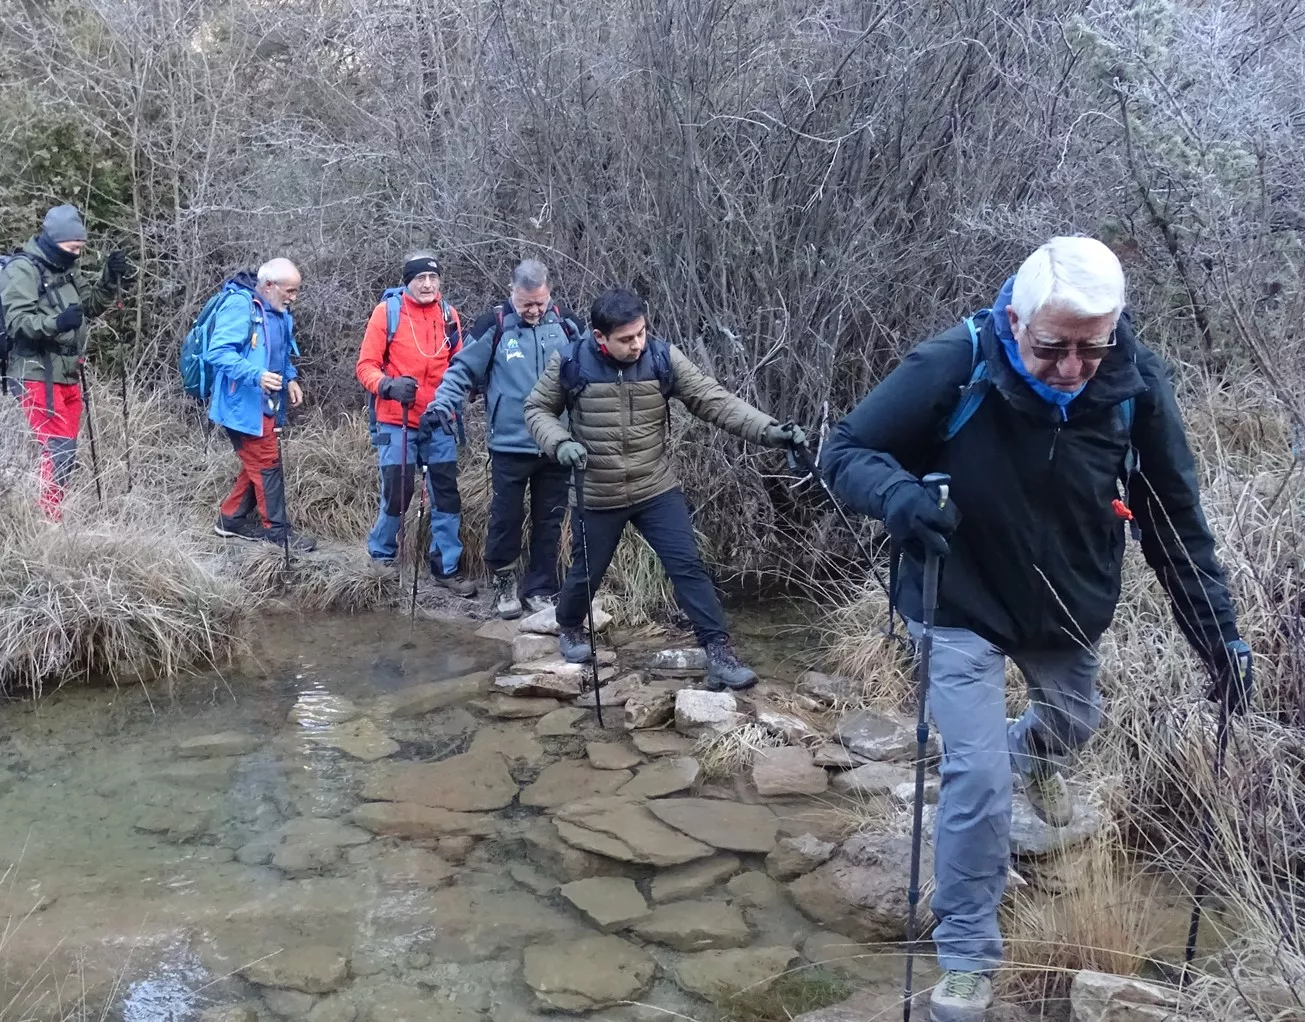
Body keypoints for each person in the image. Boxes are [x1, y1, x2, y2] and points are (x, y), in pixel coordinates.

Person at [818, 237, 1251, 1022]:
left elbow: (1173, 520)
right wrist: (900, 498)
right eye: (1053, 346)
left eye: (1093, 346)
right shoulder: (957, 362)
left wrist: (1218, 639)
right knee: (977, 782)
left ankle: (1025, 762)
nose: (1073, 366)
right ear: (1015, 317)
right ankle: (967, 960)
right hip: (958, 600)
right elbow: (843, 451)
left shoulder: (1134, 384)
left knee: (1075, 723)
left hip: (1065, 606)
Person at [524, 288, 806, 690]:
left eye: (640, 333)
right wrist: (559, 442)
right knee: (587, 572)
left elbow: (714, 400)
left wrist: (769, 431)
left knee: (687, 566)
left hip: (655, 486)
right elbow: (536, 409)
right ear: (600, 337)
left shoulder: (661, 357)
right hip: (598, 491)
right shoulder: (569, 361)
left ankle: (719, 653)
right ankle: (568, 625)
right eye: (626, 339)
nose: (637, 344)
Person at [426, 259, 585, 618]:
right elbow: (462, 371)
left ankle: (542, 587)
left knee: (550, 517)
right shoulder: (494, 325)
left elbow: (591, 367)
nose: (534, 310)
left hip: (556, 442)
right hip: (510, 444)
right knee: (506, 516)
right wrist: (441, 406)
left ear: (549, 293)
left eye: (540, 302)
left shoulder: (566, 324)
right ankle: (503, 581)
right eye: (526, 303)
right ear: (512, 292)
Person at [354, 251, 476, 596]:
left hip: (439, 421)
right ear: (407, 281)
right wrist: (388, 386)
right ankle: (381, 557)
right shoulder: (387, 313)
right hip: (397, 420)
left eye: (432, 278)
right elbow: (365, 367)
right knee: (397, 492)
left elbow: (460, 367)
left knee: (446, 496)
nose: (427, 284)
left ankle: (446, 567)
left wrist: (454, 399)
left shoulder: (449, 315)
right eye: (419, 278)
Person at [0, 204, 132, 519]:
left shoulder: (66, 270)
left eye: (80, 249)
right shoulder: (22, 269)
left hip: (68, 375)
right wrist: (57, 323)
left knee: (64, 452)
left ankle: (50, 513)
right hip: (35, 374)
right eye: (72, 248)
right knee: (56, 451)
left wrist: (110, 277)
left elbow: (90, 307)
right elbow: (17, 321)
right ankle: (46, 521)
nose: (76, 254)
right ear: (55, 241)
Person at [203, 258, 315, 552]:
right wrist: (256, 375)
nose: (293, 298)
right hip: (242, 407)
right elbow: (218, 353)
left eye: (296, 291)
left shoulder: (279, 312)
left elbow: (279, 353)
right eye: (289, 291)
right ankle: (278, 534)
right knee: (267, 464)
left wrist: (289, 377)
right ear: (268, 286)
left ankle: (231, 520)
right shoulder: (241, 307)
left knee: (256, 463)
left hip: (266, 404)